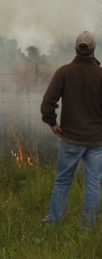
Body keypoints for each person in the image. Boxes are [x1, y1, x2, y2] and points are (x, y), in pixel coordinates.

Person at [41, 31, 102, 226]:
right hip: (97, 140)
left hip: (72, 138)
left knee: (62, 181)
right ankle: (87, 226)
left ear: (76, 49)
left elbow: (48, 102)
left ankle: (54, 222)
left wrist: (52, 122)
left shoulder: (64, 72)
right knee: (93, 183)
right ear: (93, 49)